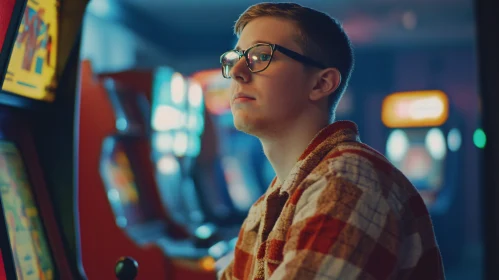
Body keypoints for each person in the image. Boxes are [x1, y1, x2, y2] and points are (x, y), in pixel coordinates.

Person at [218, 2, 445, 279]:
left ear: (321, 84)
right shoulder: (267, 205)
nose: (238, 71)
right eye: (234, 58)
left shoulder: (346, 181)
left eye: (261, 56)